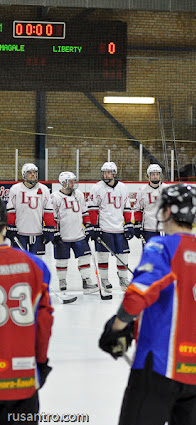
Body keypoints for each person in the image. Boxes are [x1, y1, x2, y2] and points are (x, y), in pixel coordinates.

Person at [99, 183, 196, 425]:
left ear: (166, 212)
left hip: (160, 367)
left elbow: (138, 294)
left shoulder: (162, 246)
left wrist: (117, 328)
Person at [0, 197, 54, 424]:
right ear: (4, 226)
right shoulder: (35, 266)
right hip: (22, 378)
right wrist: (40, 362)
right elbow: (44, 323)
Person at [88, 162, 134, 293]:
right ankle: (104, 279)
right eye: (104, 172)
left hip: (119, 228)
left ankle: (123, 279)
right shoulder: (96, 188)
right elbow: (92, 209)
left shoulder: (123, 187)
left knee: (123, 255)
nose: (106, 174)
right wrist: (94, 226)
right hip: (104, 228)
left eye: (108, 172)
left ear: (114, 173)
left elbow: (126, 207)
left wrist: (128, 224)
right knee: (103, 255)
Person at [51, 171, 98, 294]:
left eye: (73, 181)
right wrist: (55, 231)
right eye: (70, 181)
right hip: (63, 235)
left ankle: (86, 280)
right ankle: (62, 280)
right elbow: (52, 217)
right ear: (63, 182)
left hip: (79, 234)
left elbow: (84, 212)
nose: (73, 184)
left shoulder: (79, 194)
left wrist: (88, 225)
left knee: (85, 257)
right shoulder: (55, 197)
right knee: (61, 260)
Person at [6, 163, 55, 257]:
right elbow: (11, 210)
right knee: (19, 261)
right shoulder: (15, 189)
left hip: (38, 232)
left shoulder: (44, 189)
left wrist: (49, 227)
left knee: (37, 262)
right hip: (20, 232)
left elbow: (48, 210)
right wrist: (10, 227)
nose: (33, 174)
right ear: (24, 174)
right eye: (30, 173)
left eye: (35, 172)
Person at [133, 164, 168, 245]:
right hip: (148, 228)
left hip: (164, 228)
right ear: (148, 176)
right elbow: (138, 209)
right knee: (150, 254)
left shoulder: (167, 189)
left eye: (157, 174)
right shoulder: (142, 190)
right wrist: (138, 224)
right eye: (153, 174)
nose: (155, 176)